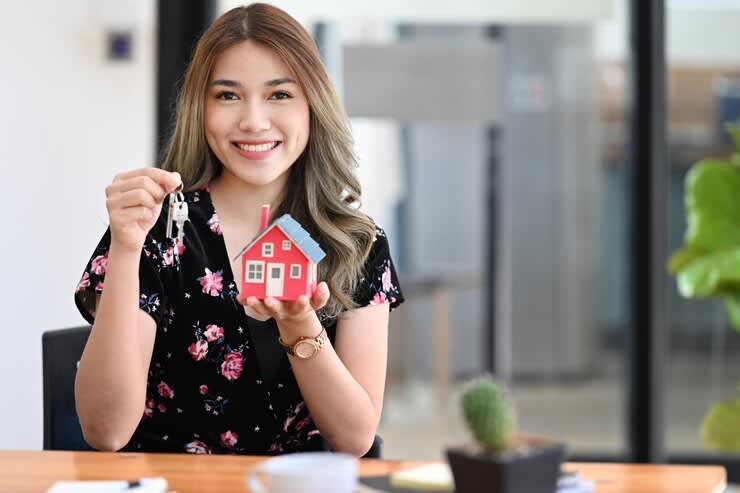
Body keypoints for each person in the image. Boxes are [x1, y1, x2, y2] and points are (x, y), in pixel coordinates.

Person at [73, 3, 403, 456]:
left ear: (313, 104)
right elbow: (104, 432)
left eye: (279, 95)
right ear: (200, 108)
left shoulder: (357, 244)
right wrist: (127, 248)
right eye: (227, 95)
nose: (252, 120)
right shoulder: (156, 228)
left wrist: (299, 324)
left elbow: (354, 439)